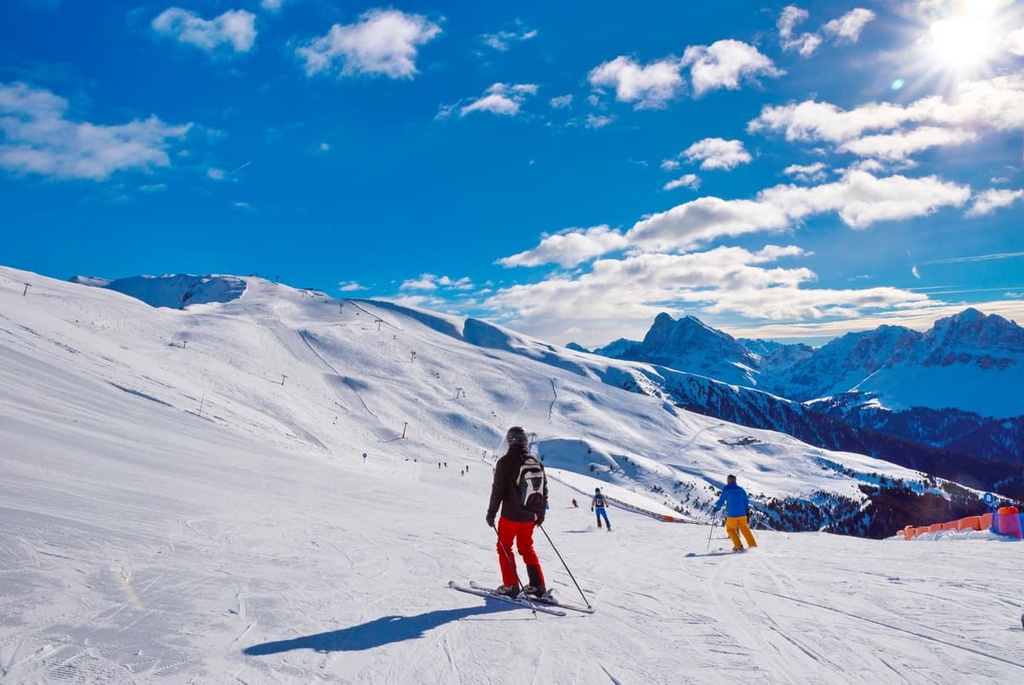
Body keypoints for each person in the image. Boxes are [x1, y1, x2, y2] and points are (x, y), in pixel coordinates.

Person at [486, 426, 548, 598]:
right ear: (524, 441)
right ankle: (537, 585)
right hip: (530, 516)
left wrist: (491, 513)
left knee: (504, 548)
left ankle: (511, 585)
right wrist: (540, 514)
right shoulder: (535, 462)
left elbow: (497, 490)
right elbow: (544, 490)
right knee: (527, 548)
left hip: (510, 517)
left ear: (509, 441)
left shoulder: (505, 462)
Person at [712, 474, 758, 552]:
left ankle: (738, 546)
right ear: (735, 481)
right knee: (745, 530)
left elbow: (721, 501)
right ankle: (753, 546)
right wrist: (747, 510)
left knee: (730, 530)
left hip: (732, 515)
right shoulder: (741, 489)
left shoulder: (726, 490)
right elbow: (746, 501)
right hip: (742, 514)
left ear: (728, 481)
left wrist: (717, 508)